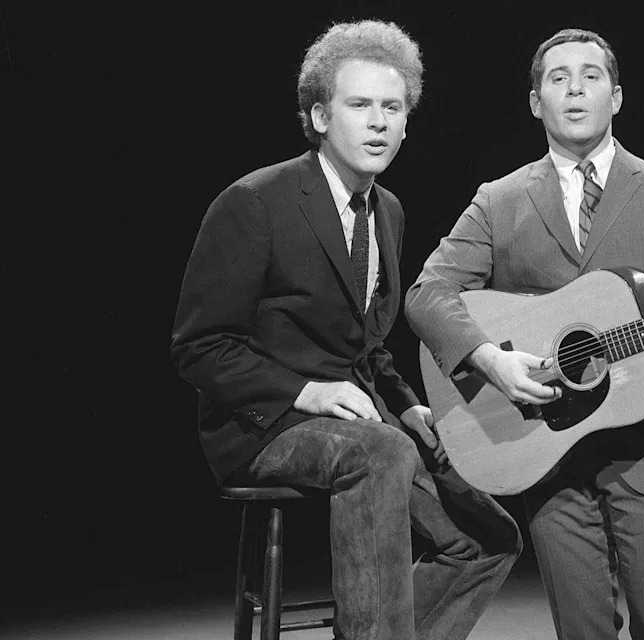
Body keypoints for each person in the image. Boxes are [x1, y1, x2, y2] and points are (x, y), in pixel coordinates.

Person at [171, 19, 520, 640]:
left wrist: (408, 407)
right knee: (382, 451)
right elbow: (200, 348)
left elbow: (367, 346)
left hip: (362, 421)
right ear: (320, 116)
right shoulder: (255, 202)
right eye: (360, 105)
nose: (378, 122)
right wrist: (307, 393)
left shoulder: (388, 211)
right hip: (264, 424)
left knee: (487, 537)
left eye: (393, 108)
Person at [405, 27, 644, 640]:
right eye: (558, 79)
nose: (576, 90)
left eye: (591, 76)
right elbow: (428, 294)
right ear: (536, 103)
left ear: (617, 96)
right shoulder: (499, 200)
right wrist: (488, 358)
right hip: (546, 447)